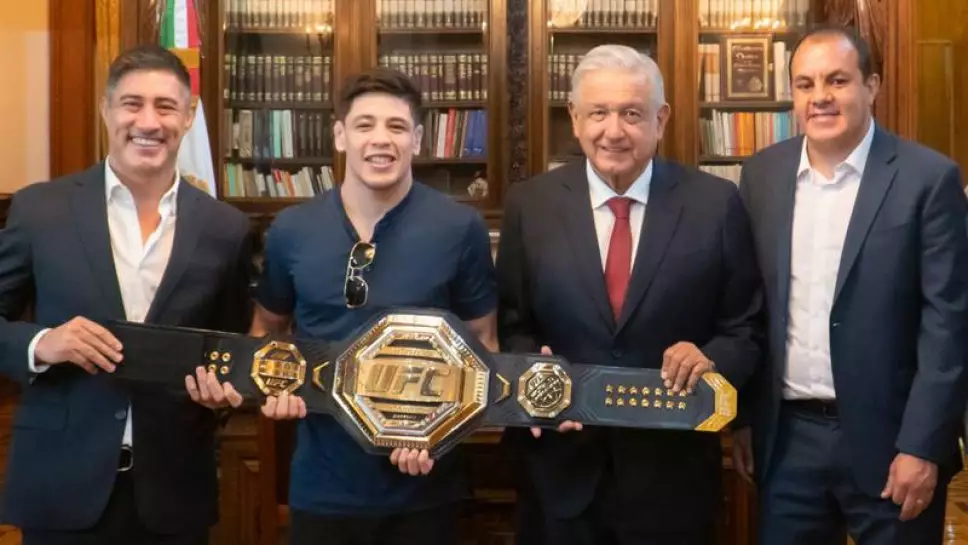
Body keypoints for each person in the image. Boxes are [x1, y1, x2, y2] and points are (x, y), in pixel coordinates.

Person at [496, 44, 763, 545]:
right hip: (559, 474)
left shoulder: (714, 204)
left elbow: (745, 328)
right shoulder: (530, 205)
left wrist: (710, 357)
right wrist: (533, 368)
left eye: (631, 114)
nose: (613, 130)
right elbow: (512, 324)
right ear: (575, 118)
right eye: (598, 112)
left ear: (660, 119)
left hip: (672, 478)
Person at [0, 44, 252, 545]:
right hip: (61, 485)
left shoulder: (227, 228)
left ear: (188, 116)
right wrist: (39, 344)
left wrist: (226, 390)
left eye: (165, 106)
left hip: (175, 491)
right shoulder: (39, 210)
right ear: (107, 110)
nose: (148, 121)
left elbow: (231, 345)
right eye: (132, 103)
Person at [732, 25, 968, 545]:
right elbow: (750, 309)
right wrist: (745, 419)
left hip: (893, 444)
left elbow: (948, 326)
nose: (820, 97)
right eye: (805, 84)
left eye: (837, 80)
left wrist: (923, 446)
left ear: (872, 86)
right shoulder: (762, 176)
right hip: (787, 440)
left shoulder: (928, 179)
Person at [252, 68, 498, 545]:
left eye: (397, 127)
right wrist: (271, 386)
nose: (380, 140)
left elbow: (485, 347)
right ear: (341, 135)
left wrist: (439, 432)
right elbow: (265, 331)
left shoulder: (459, 228)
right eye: (364, 125)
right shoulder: (291, 230)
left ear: (418, 139)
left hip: (427, 492)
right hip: (322, 490)